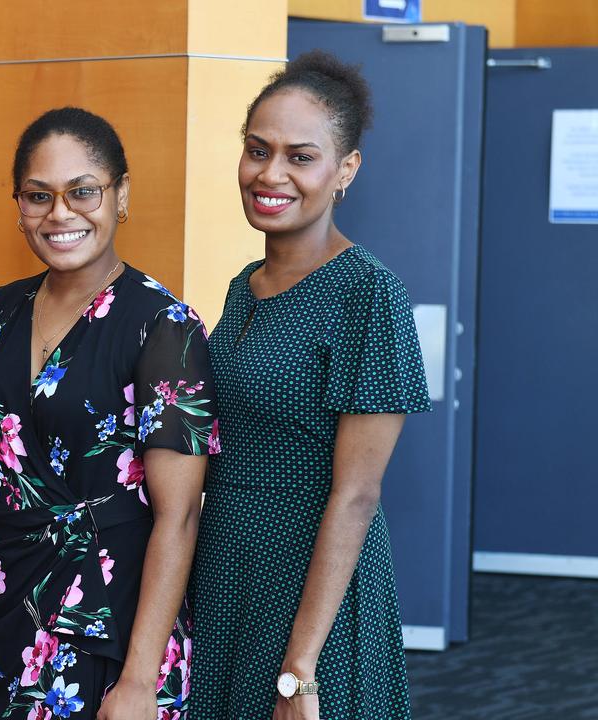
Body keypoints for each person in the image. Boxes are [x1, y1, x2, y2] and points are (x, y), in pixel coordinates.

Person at [189, 52, 431, 720]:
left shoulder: (369, 292)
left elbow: (356, 496)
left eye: (301, 156)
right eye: (257, 150)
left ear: (345, 170)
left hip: (310, 589)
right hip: (227, 572)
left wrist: (300, 671)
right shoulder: (244, 287)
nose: (271, 174)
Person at [0, 107, 219, 720]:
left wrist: (138, 680)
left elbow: (180, 516)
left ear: (121, 195)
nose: (60, 214)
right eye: (38, 196)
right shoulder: (1, 310)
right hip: (3, 613)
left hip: (110, 629)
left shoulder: (164, 328)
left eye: (83, 191)